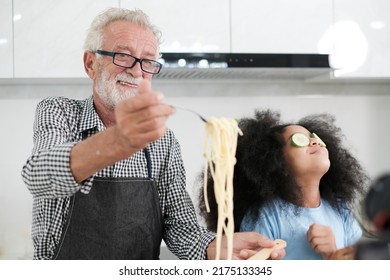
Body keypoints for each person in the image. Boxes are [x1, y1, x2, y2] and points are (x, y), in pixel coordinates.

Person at [21, 7, 285, 260]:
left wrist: (214, 246)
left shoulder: (164, 140)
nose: (136, 70)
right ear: (91, 64)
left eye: (147, 61)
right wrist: (118, 141)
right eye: (122, 56)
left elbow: (180, 227)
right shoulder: (59, 111)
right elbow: (38, 175)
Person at [199, 109, 369, 260]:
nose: (315, 142)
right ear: (279, 164)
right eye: (299, 140)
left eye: (315, 138)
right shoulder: (265, 217)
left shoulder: (341, 210)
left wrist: (333, 254)